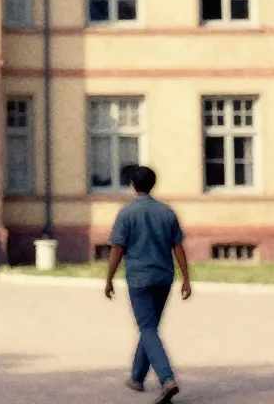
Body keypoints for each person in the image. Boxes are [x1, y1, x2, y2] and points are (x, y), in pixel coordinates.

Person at [104, 166, 190, 404]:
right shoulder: (167, 212)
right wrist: (186, 278)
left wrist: (109, 279)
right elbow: (178, 246)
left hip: (139, 279)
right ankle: (137, 378)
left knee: (148, 328)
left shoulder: (126, 213)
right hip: (163, 277)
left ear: (133, 184)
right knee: (149, 327)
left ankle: (167, 379)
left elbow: (117, 249)